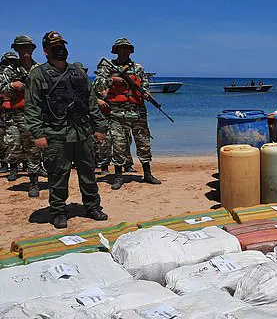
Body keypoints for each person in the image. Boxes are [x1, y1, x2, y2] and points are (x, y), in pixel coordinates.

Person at [25, 31, 109, 229]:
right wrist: (37, 133)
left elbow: (91, 101)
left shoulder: (78, 72)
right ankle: (58, 211)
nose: (60, 50)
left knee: (88, 172)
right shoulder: (37, 75)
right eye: (55, 47)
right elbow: (32, 107)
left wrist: (100, 126)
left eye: (62, 46)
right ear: (46, 51)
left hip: (82, 132)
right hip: (55, 134)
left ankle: (92, 206)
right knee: (58, 175)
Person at [93, 38, 161, 190]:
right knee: (119, 145)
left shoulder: (138, 68)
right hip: (117, 113)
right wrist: (112, 80)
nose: (124, 51)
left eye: (126, 49)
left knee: (143, 143)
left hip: (138, 112)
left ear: (131, 51)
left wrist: (146, 93)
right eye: (121, 49)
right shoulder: (107, 67)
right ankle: (118, 176)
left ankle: (147, 174)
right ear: (116, 51)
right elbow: (97, 84)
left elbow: (144, 84)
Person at [0, 36, 41, 194]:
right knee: (14, 145)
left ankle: (34, 182)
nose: (25, 50)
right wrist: (12, 85)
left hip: (34, 116)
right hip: (13, 116)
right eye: (21, 47)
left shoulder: (39, 69)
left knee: (33, 149)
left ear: (33, 49)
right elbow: (1, 90)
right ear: (16, 49)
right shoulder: (9, 70)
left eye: (28, 47)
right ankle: (13, 168)